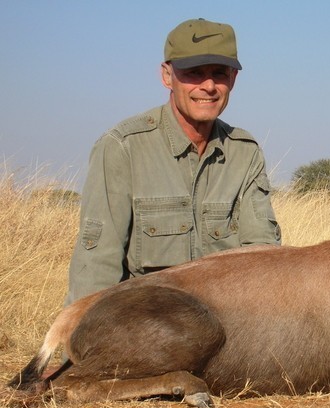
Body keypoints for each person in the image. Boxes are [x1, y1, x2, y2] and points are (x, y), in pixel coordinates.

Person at [65, 18, 281, 307]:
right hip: (146, 325)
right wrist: (81, 345)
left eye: (219, 73)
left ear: (233, 79)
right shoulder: (122, 147)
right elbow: (97, 265)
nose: (208, 86)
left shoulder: (245, 153)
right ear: (167, 75)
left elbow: (262, 258)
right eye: (194, 73)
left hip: (227, 328)